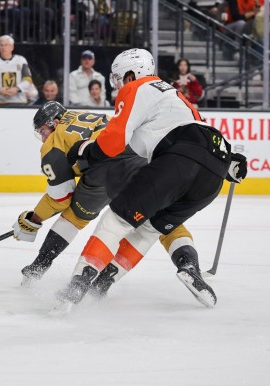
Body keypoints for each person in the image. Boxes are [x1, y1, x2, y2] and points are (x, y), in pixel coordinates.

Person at [59, 48, 247, 308]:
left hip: (180, 158)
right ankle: (102, 284)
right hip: (214, 172)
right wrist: (230, 163)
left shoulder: (137, 88)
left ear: (130, 74)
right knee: (149, 229)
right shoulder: (173, 95)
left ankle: (75, 289)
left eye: (117, 79)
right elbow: (200, 137)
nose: (116, 87)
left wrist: (85, 152)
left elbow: (113, 142)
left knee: (115, 222)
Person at [13, 101, 213, 306]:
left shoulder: (53, 142)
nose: (43, 137)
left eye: (43, 131)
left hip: (103, 175)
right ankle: (188, 264)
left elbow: (60, 198)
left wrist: (33, 220)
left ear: (54, 122)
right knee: (161, 221)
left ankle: (38, 267)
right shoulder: (91, 114)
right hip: (138, 161)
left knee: (75, 217)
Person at [0, 35, 36, 104]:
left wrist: (17, 89)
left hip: (19, 102)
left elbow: (28, 80)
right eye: (1, 45)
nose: (3, 47)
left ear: (12, 47)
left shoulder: (21, 60)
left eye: (6, 45)